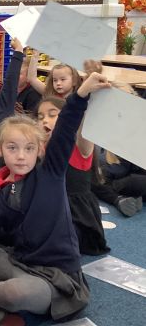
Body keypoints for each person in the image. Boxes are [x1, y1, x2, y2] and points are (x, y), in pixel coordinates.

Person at [0, 72, 111, 323]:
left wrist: (81, 94)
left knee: (13, 294)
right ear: (0, 150)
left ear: (40, 150)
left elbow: (66, 127)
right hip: (18, 261)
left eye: (29, 148)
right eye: (12, 148)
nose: (21, 156)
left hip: (56, 275)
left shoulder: (50, 172)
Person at [37, 96, 109, 255]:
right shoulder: (40, 146)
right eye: (40, 117)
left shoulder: (79, 147)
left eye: (52, 115)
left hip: (76, 215)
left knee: (57, 241)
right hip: (50, 207)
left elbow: (83, 123)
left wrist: (86, 96)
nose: (44, 120)